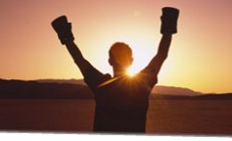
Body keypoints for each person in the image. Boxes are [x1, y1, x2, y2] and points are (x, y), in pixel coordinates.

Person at [51, 7, 179, 133]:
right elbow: (161, 55)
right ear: (131, 60)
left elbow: (79, 60)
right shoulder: (141, 83)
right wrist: (168, 30)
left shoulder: (101, 84)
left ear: (110, 61)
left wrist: (66, 38)